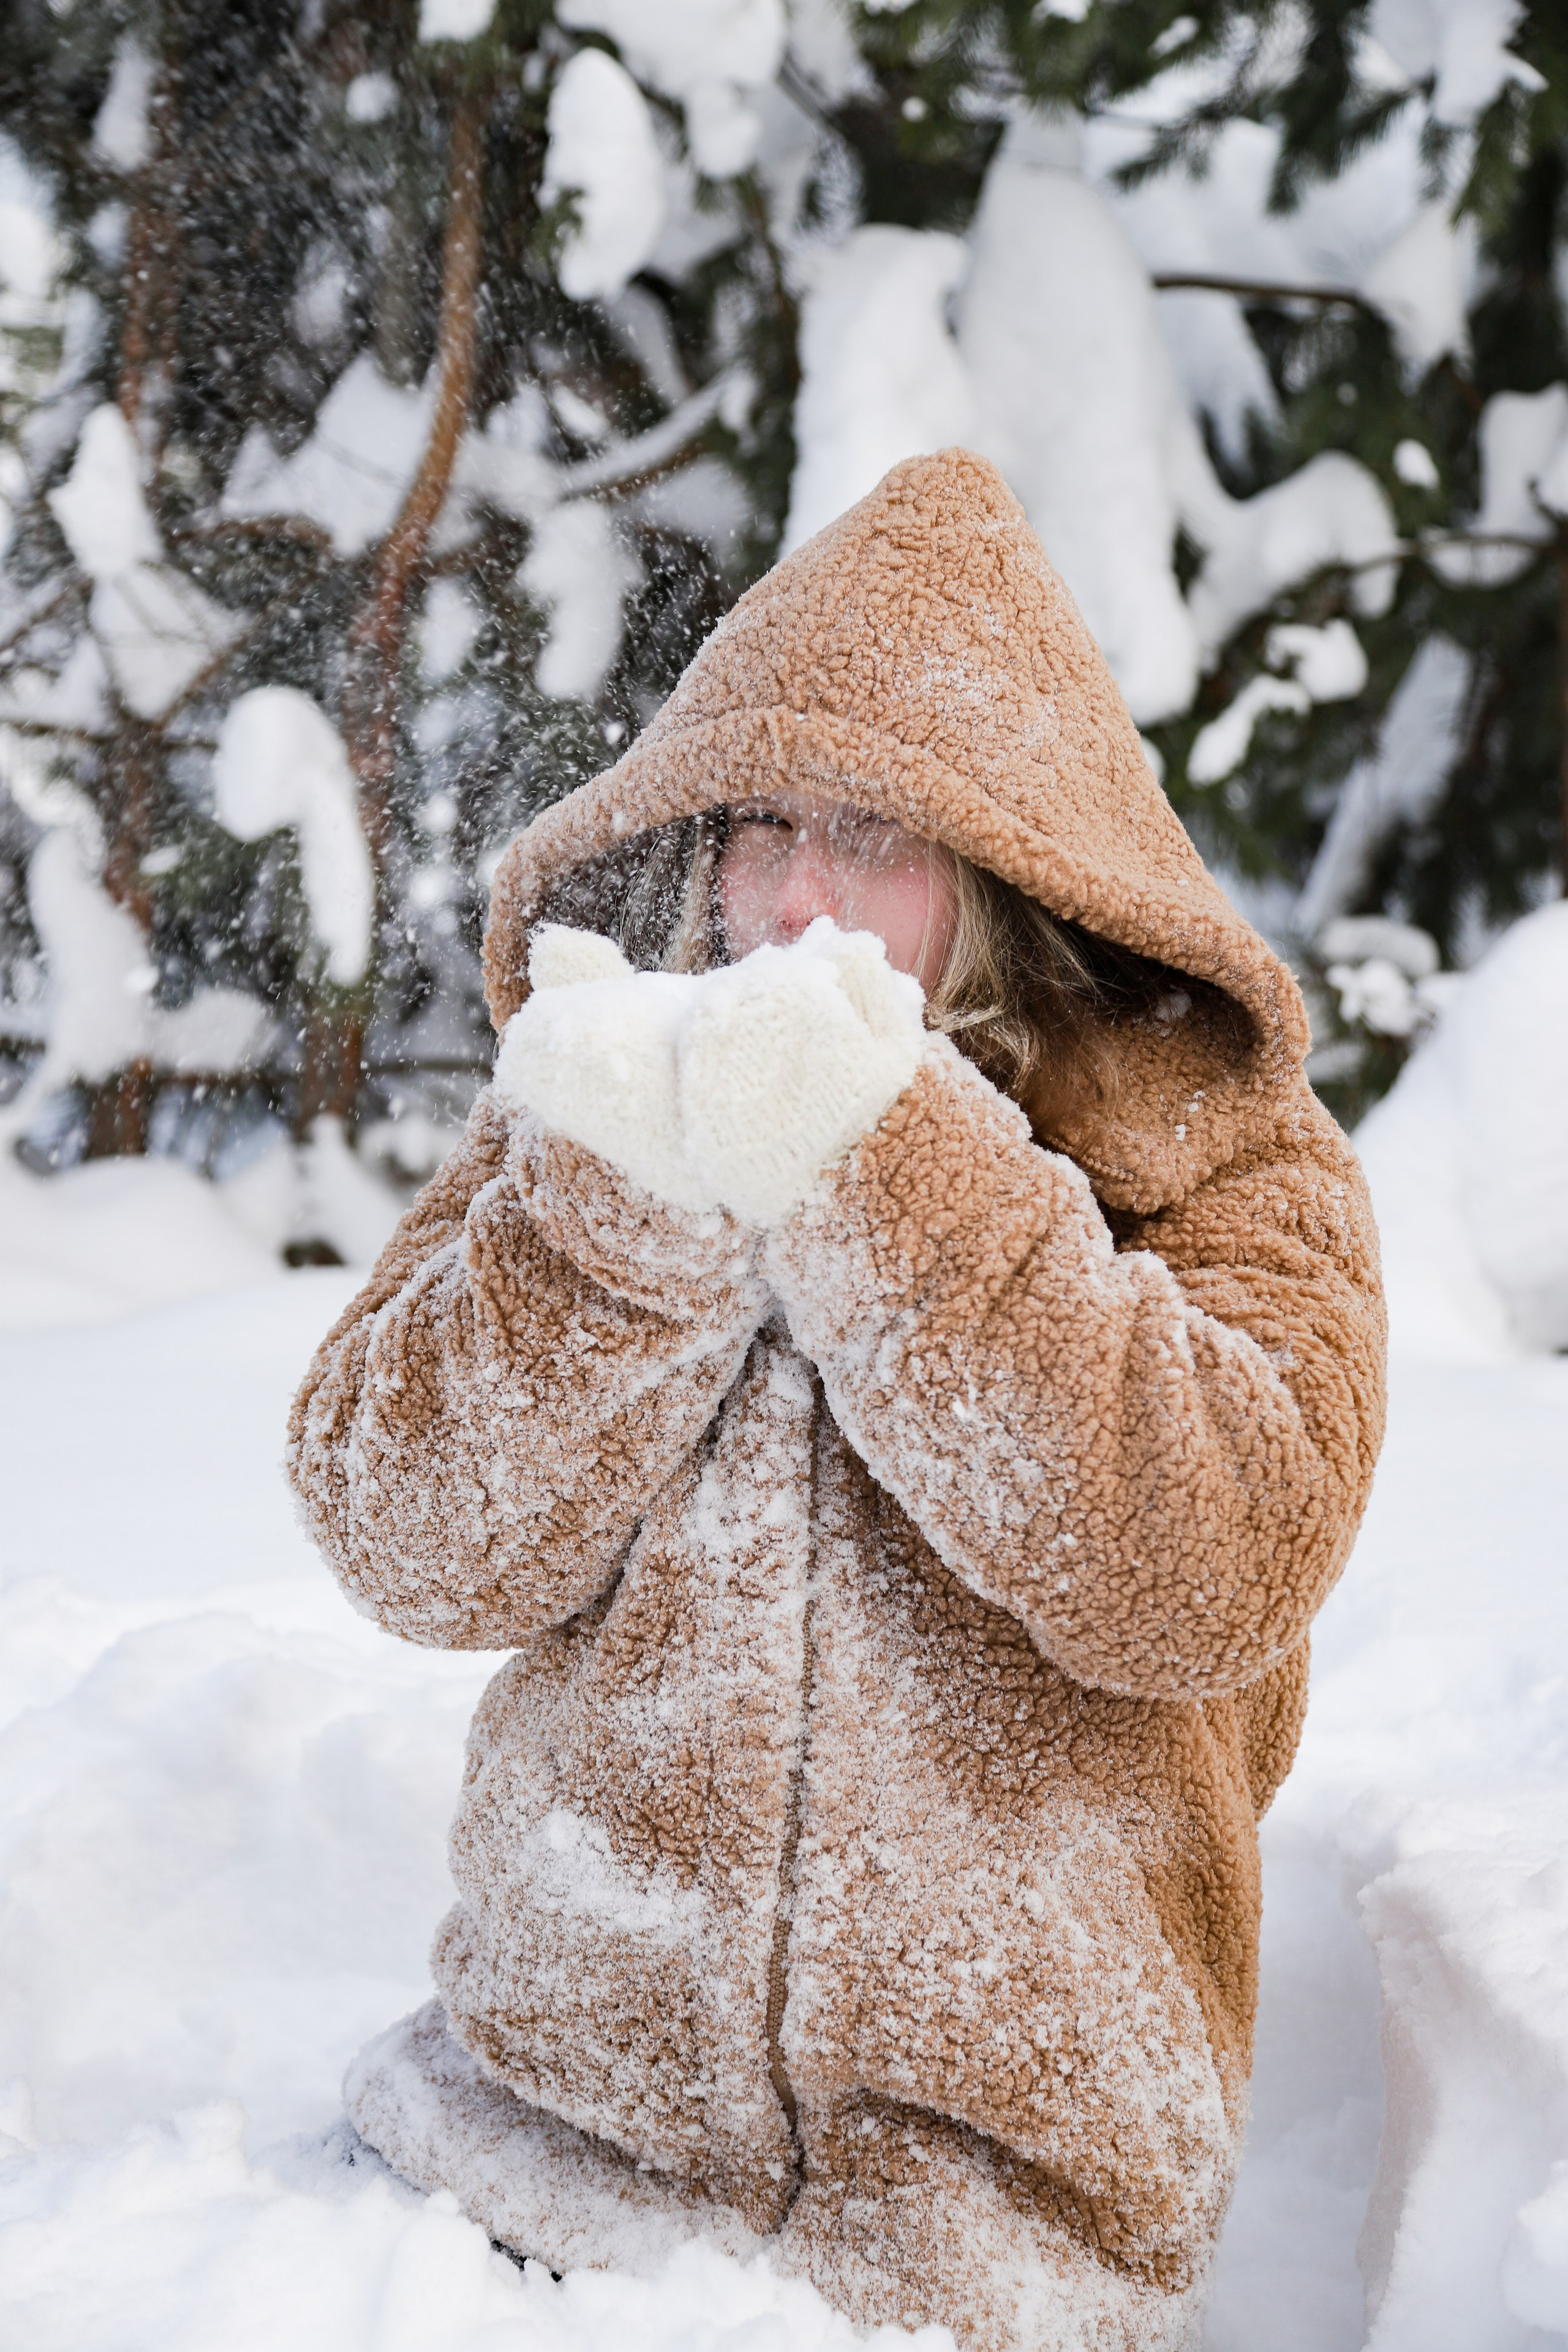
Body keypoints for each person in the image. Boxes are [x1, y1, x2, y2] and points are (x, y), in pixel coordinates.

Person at [289, 450, 1385, 2352]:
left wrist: (893, 1169)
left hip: (984, 2256)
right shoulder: (601, 1114)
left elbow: (1205, 1564)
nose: (793, 900)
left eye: (872, 836)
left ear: (1013, 864)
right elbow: (407, 1535)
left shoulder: (1224, 1163)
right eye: (760, 824)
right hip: (510, 2185)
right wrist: (625, 1217)